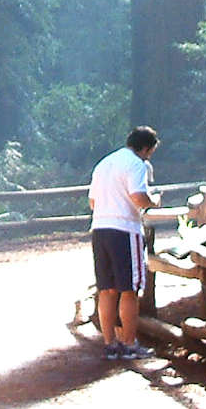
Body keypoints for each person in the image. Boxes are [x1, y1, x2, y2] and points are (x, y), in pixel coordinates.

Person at [88, 126, 161, 360]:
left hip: (100, 228)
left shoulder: (104, 163)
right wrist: (154, 202)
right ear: (146, 148)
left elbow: (92, 201)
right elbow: (138, 196)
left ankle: (110, 343)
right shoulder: (136, 164)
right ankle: (129, 343)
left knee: (107, 289)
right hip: (124, 230)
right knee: (129, 289)